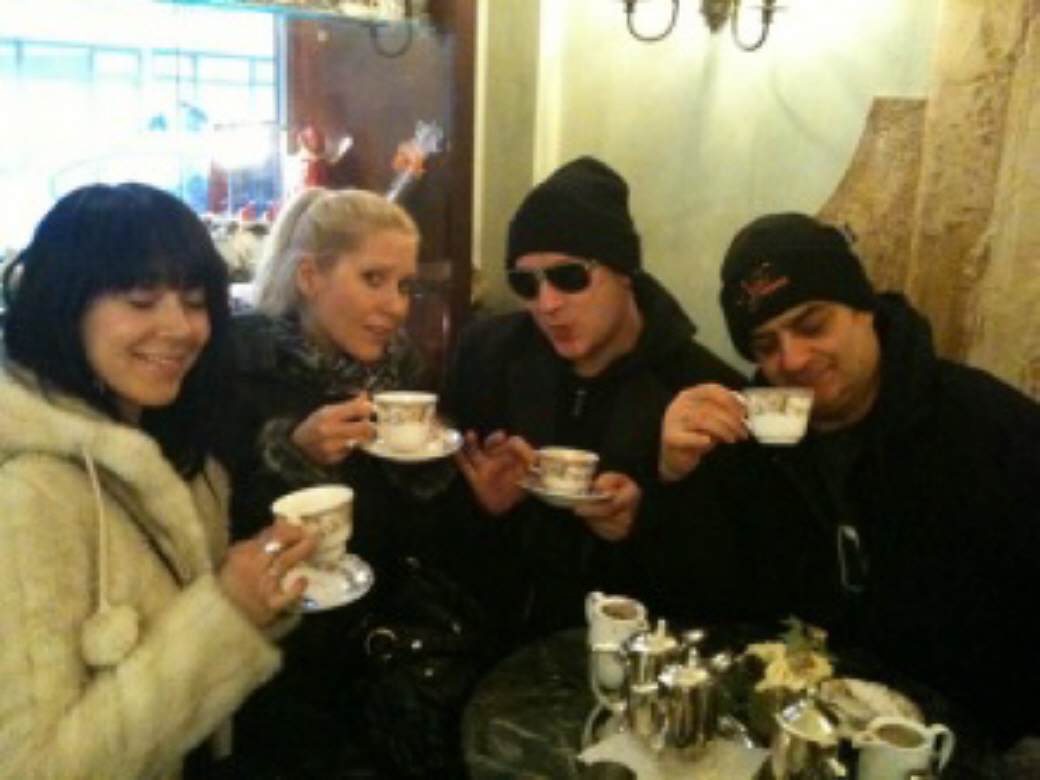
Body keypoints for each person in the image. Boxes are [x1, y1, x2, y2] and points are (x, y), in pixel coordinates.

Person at [656, 212, 1040, 747]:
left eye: (812, 325)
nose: (793, 359)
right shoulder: (748, 444)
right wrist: (676, 476)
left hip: (949, 745)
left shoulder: (991, 429)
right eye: (766, 345)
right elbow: (697, 606)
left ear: (864, 309)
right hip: (787, 735)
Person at [0, 182, 315, 779]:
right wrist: (228, 612)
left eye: (195, 301)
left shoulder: (175, 450)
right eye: (141, 300)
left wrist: (260, 591)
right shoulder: (27, 495)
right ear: (64, 305)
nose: (180, 328)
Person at [439, 156, 744, 642]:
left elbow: (731, 582)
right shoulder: (487, 356)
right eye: (525, 283)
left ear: (624, 271)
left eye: (570, 277)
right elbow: (440, 538)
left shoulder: (700, 390)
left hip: (634, 654)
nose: (547, 303)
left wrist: (645, 519)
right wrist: (485, 509)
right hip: (497, 645)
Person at [217, 187, 461, 778]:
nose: (396, 306)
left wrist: (443, 476)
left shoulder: (402, 375)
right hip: (280, 666)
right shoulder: (240, 369)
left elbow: (421, 537)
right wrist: (291, 454)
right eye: (374, 278)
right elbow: (211, 528)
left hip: (385, 654)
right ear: (309, 276)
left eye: (405, 285)